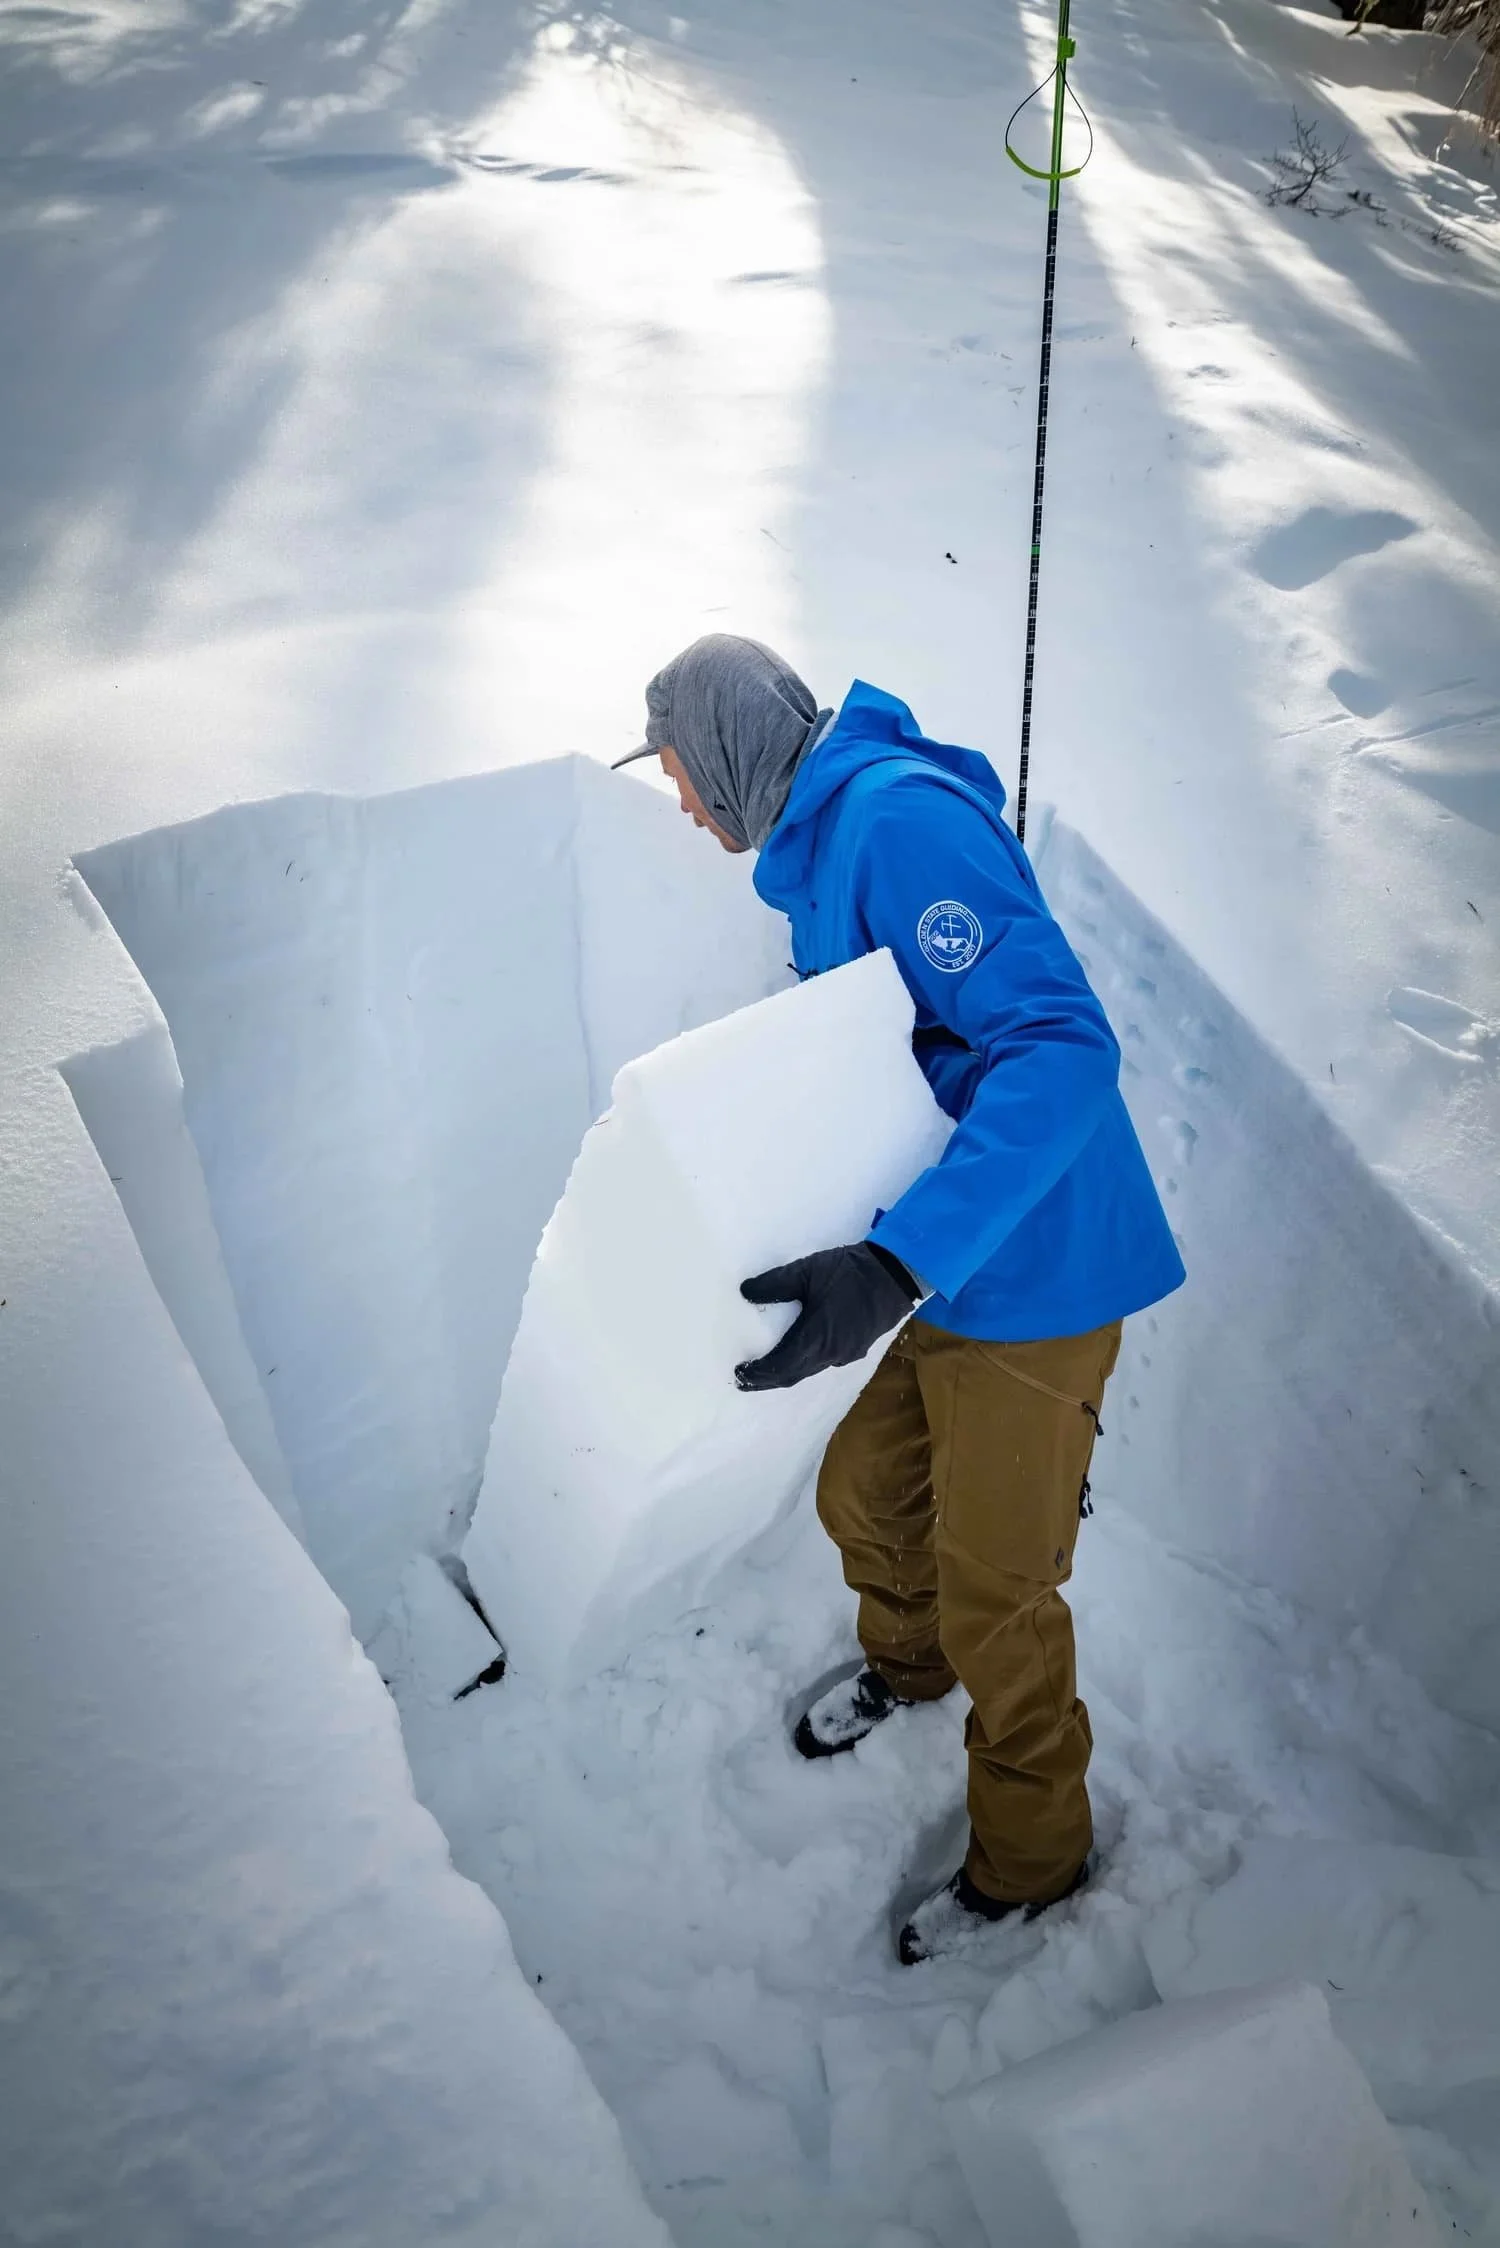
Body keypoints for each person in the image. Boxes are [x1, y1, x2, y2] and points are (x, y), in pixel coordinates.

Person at [614, 634, 1185, 1964]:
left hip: (1034, 1271)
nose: (681, 804)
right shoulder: (816, 852)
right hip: (933, 1255)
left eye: (680, 773)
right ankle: (913, 1664)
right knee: (865, 1489)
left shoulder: (894, 828)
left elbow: (1061, 1045)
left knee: (1002, 1590)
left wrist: (892, 1264)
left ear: (731, 752)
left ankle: (1035, 1857)